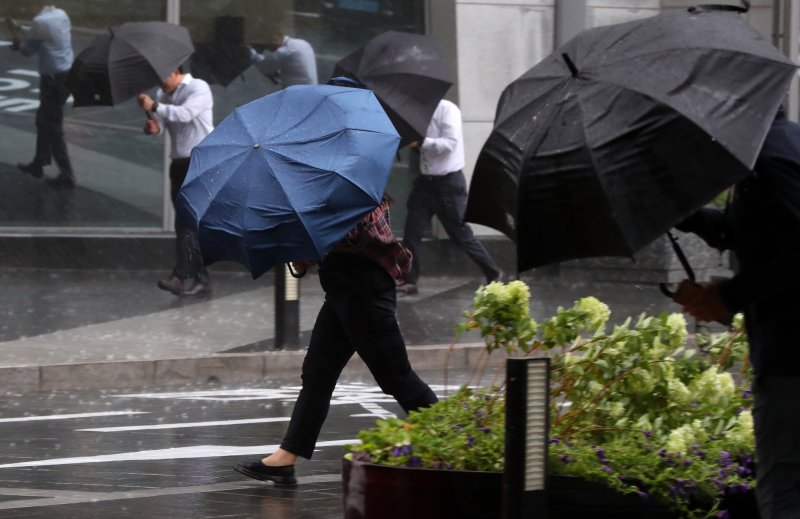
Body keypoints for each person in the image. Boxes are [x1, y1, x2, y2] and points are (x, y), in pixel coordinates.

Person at [233, 194, 439, 486]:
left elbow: (353, 234)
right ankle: (287, 457)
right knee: (318, 373)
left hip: (365, 292)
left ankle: (453, 438)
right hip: (342, 291)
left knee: (396, 377)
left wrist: (305, 241)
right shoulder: (324, 187)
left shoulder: (358, 185)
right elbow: (324, 244)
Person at [676, 106, 800, 518]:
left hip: (790, 358)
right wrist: (681, 211)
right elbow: (746, 231)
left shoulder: (768, 161)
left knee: (783, 486)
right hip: (785, 352)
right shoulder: (778, 147)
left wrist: (729, 296)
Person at [398, 99, 502, 295]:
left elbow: (450, 143)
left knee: (460, 234)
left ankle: (494, 272)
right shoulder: (416, 114)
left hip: (447, 185)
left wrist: (420, 142)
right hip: (425, 183)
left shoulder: (447, 110)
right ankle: (409, 281)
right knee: (412, 232)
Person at [137, 67, 214, 296]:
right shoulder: (162, 96)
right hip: (179, 162)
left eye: (162, 79)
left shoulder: (198, 87)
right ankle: (198, 277)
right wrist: (152, 125)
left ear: (174, 71)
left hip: (200, 161)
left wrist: (153, 106)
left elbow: (184, 114)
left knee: (190, 221)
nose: (160, 86)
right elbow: (160, 126)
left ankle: (181, 276)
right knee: (184, 223)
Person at [9, 3, 75, 189]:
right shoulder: (61, 14)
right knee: (43, 119)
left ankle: (67, 173)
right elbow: (43, 33)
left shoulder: (39, 21)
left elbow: (28, 50)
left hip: (52, 81)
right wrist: (20, 28)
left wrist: (17, 44)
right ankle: (39, 162)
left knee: (52, 125)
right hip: (67, 75)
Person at [246, 24, 317, 88]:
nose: (266, 48)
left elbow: (264, 66)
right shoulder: (302, 43)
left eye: (266, 44)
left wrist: (250, 51)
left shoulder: (283, 52)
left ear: (273, 39)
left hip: (298, 96)